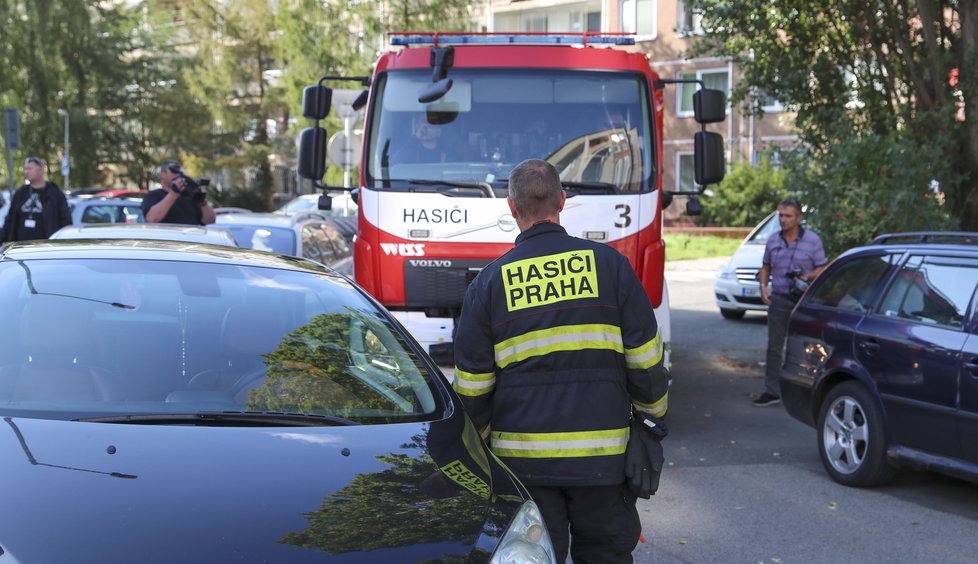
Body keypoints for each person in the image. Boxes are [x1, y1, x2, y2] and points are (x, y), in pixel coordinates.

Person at [453, 159, 670, 562]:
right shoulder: (611, 267)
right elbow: (646, 360)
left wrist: (479, 453)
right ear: (562, 201)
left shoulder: (489, 285)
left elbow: (473, 388)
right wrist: (651, 422)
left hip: (525, 470)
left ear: (511, 207)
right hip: (604, 465)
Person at [755, 196, 827, 407]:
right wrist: (763, 286)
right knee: (774, 347)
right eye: (781, 215)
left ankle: (807, 391)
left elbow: (823, 267)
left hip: (804, 301)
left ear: (799, 218)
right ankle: (772, 391)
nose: (783, 220)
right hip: (779, 299)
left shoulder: (812, 240)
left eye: (788, 216)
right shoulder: (773, 240)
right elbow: (766, 266)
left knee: (807, 348)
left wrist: (806, 277)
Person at [0, 156, 71, 243]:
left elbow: (66, 220)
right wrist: (3, 240)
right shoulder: (21, 193)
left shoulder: (54, 194)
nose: (26, 172)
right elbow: (10, 219)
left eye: (30, 168)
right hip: (20, 248)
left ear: (41, 170)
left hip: (46, 247)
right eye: (25, 169)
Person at [142, 160, 216, 225]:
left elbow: (210, 220)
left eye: (179, 171)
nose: (177, 174)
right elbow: (151, 219)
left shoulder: (189, 196)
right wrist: (173, 194)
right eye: (173, 170)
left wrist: (202, 202)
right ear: (162, 174)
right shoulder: (153, 195)